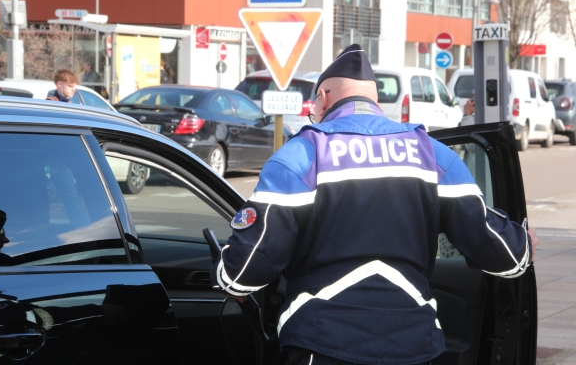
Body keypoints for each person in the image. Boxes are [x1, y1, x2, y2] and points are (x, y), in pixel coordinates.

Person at [210, 44, 538, 365]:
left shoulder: (301, 157)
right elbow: (499, 252)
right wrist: (522, 244)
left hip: (323, 343)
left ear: (323, 97)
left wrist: (228, 276)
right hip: (414, 345)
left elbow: (247, 270)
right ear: (374, 99)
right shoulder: (432, 155)